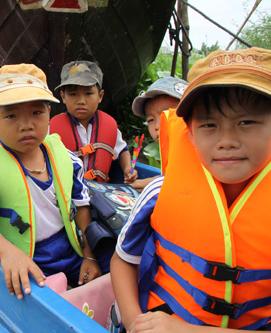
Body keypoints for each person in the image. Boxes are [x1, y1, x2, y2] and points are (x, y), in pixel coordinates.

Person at [110, 47, 271, 332]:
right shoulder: (159, 191)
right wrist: (135, 322)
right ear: (191, 134)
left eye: (246, 122)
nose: (227, 141)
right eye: (210, 125)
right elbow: (123, 261)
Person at [0, 64, 111, 301]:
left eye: (37, 113)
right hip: (26, 255)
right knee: (41, 297)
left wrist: (89, 255)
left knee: (113, 266)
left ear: (49, 114)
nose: (27, 125)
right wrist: (7, 253)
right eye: (11, 116)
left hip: (69, 246)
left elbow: (81, 205)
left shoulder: (64, 155)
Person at [49, 60, 137, 184]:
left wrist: (128, 168)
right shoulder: (51, 130)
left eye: (88, 93)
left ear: (100, 96)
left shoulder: (109, 127)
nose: (81, 101)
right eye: (73, 94)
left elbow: (122, 150)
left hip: (99, 190)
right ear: (63, 97)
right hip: (68, 192)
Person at [127, 76, 188, 190]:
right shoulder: (170, 154)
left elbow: (181, 178)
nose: (157, 126)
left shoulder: (201, 152)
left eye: (167, 114)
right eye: (150, 120)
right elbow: (170, 177)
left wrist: (142, 184)